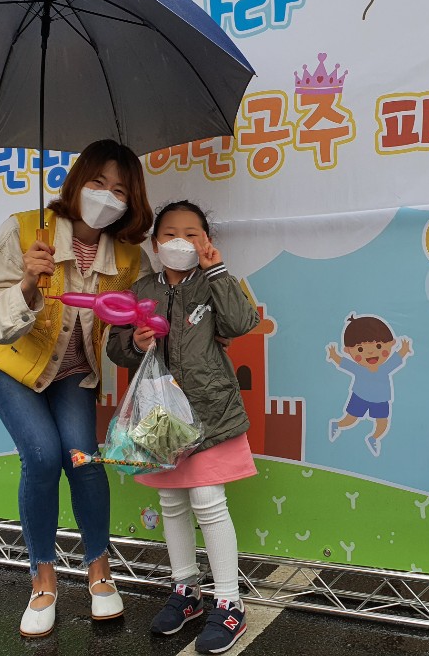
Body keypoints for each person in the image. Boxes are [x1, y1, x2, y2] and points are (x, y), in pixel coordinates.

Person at [0, 140, 153, 638]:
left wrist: (140, 337)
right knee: (43, 456)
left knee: (83, 459)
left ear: (131, 202)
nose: (107, 196)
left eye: (120, 190)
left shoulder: (132, 259)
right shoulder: (27, 230)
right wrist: (28, 284)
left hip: (73, 372)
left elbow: (127, 335)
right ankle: (43, 580)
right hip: (10, 364)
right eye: (97, 182)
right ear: (76, 183)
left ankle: (100, 572)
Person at [106, 200, 260, 655]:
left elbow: (241, 322)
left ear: (206, 241)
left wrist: (217, 272)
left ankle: (229, 602)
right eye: (170, 233)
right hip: (161, 419)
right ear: (155, 244)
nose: (180, 242)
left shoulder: (214, 282)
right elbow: (116, 347)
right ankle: (186, 591)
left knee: (208, 501)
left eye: (192, 234)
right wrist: (135, 343)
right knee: (172, 503)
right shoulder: (142, 289)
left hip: (210, 412)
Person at [326, 314, 412, 457]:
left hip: (381, 400)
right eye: (360, 349)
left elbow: (397, 358)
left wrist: (404, 349)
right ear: (348, 351)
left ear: (391, 343)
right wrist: (334, 355)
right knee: (351, 419)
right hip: (359, 397)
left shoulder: (385, 368)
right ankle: (337, 424)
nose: (371, 352)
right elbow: (344, 363)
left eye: (378, 346)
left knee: (382, 423)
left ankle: (374, 438)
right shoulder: (359, 369)